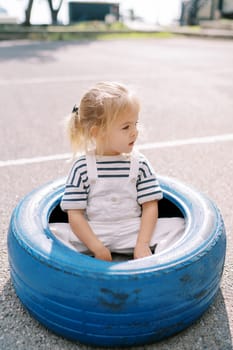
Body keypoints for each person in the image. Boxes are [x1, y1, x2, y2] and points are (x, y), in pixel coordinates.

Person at [50, 82, 185, 261]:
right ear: (98, 132)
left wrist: (142, 244)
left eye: (135, 124)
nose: (134, 132)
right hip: (94, 231)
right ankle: (80, 267)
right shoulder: (82, 166)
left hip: (133, 230)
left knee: (178, 225)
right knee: (53, 232)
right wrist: (97, 248)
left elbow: (150, 206)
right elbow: (74, 214)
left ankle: (159, 265)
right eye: (126, 127)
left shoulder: (139, 163)